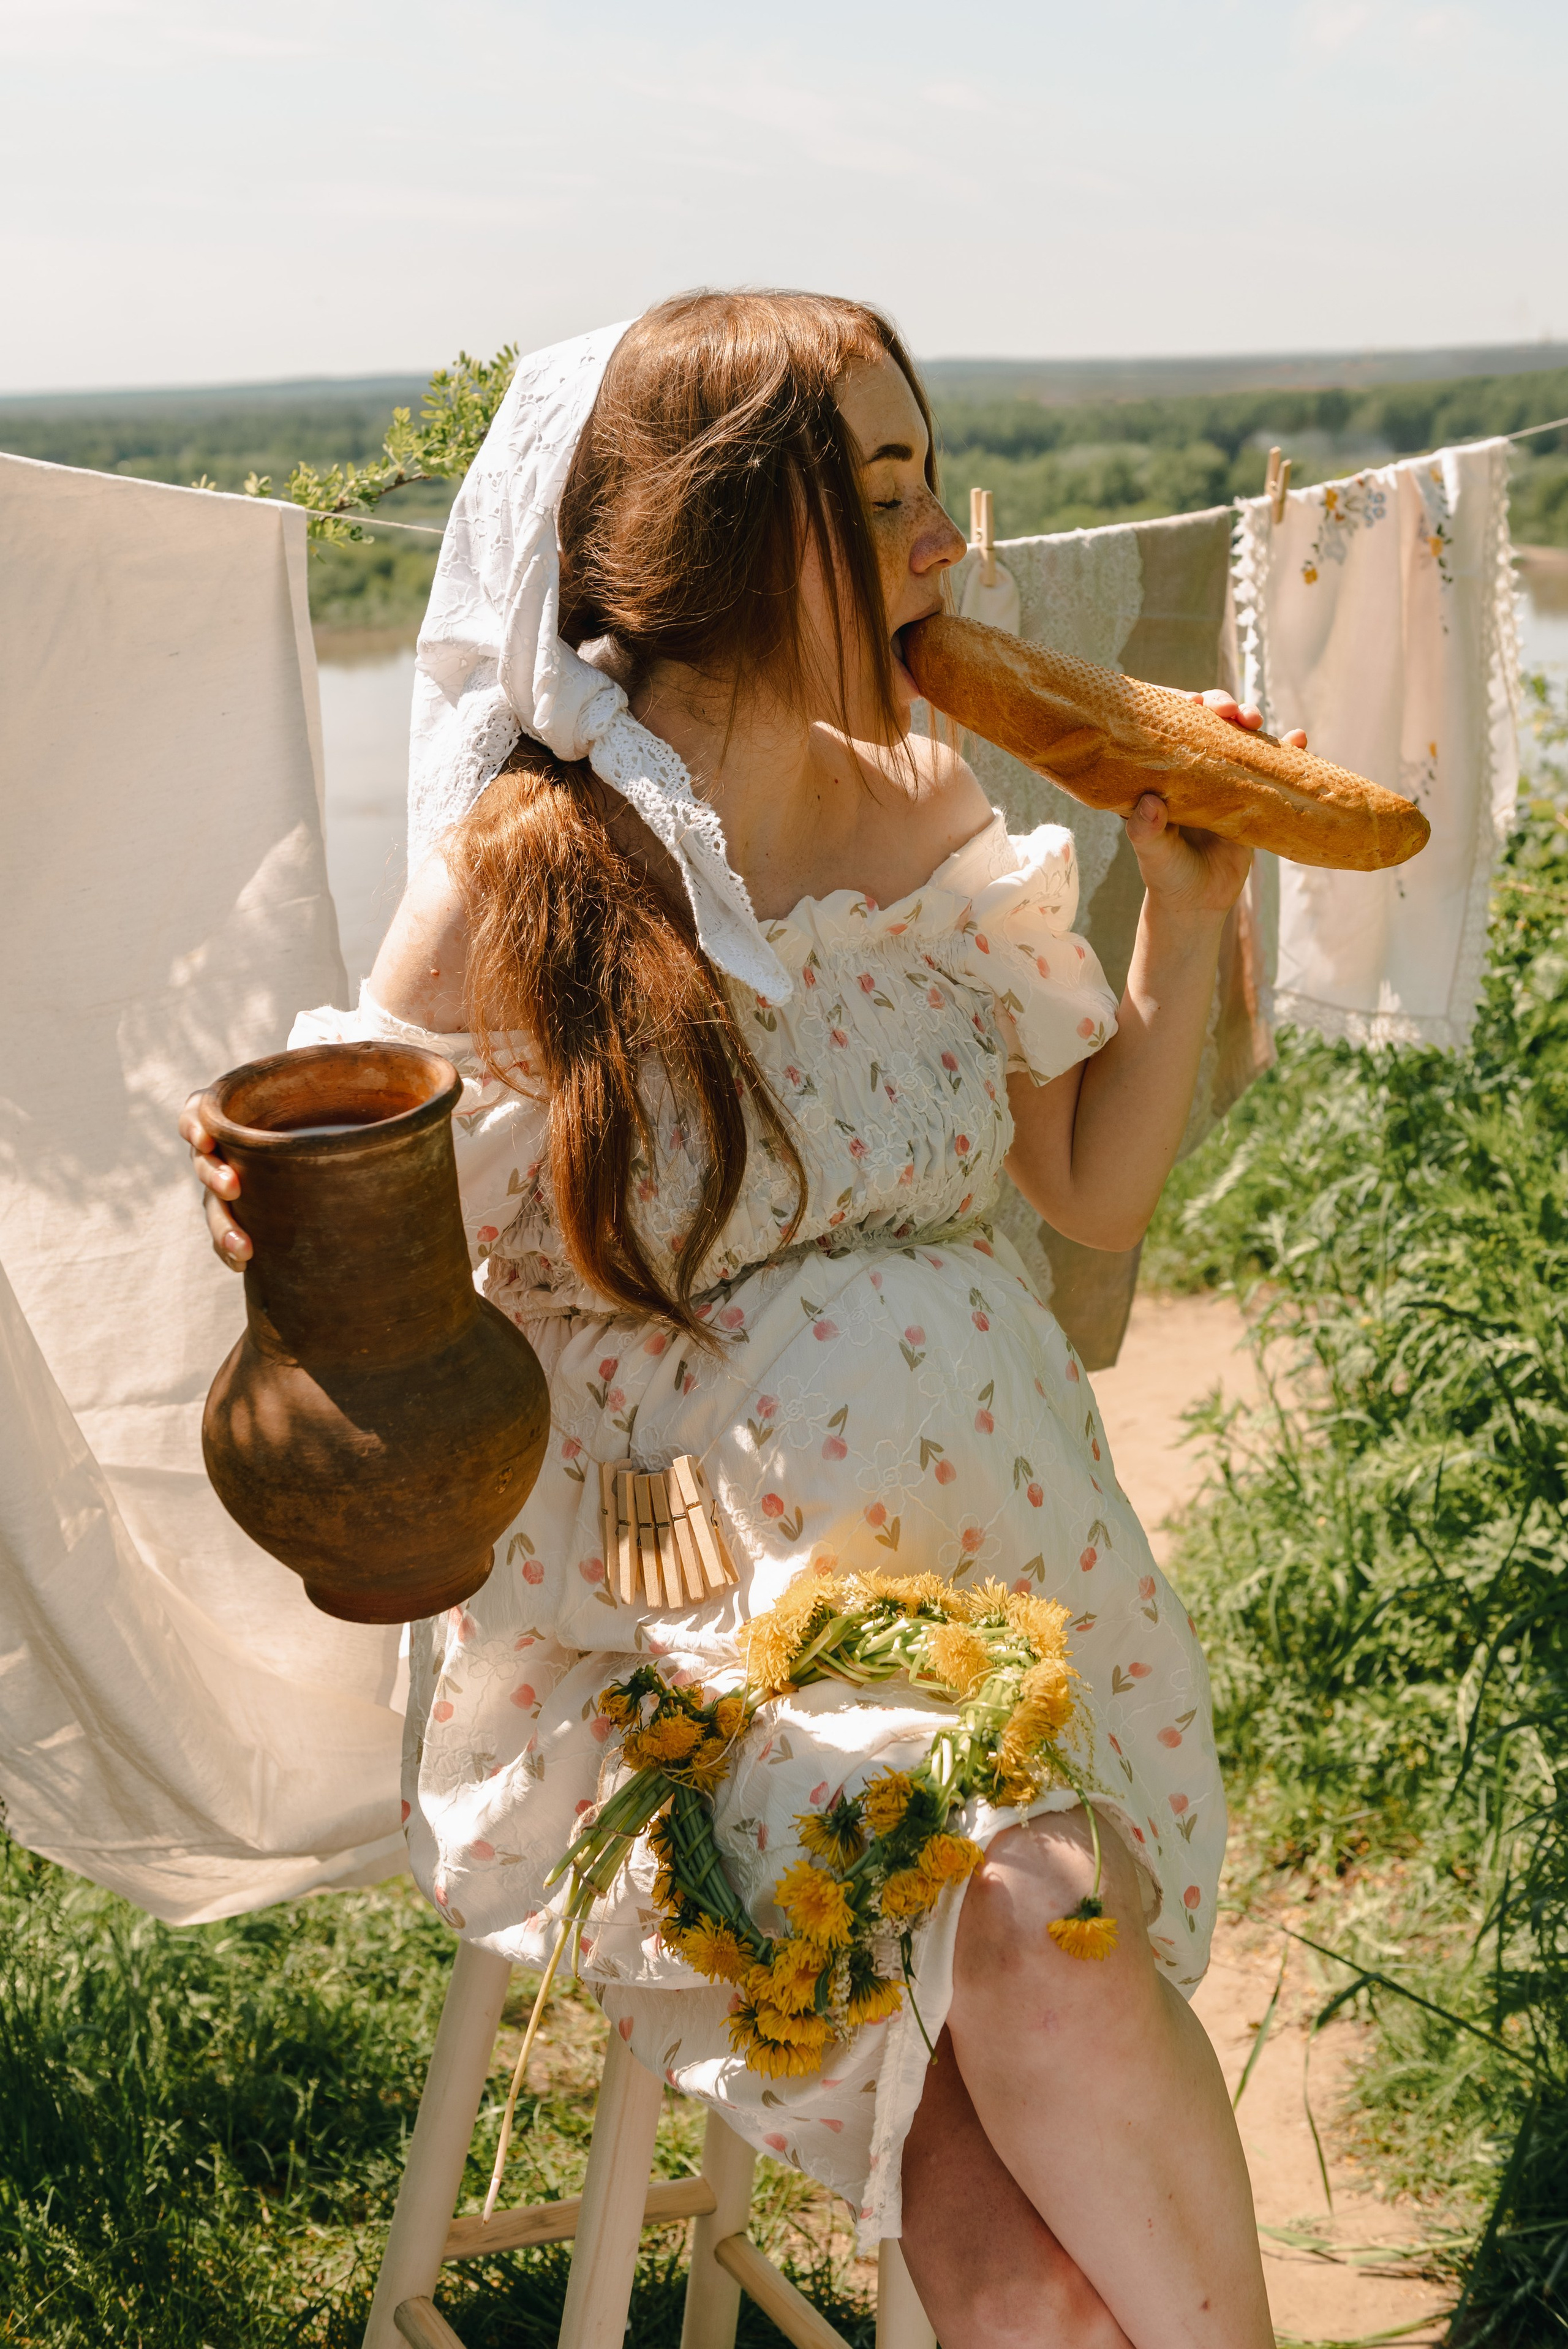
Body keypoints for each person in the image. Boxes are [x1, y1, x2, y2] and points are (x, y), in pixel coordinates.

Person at [183, 292, 1300, 2348]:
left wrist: (1193, 901)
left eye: (932, 476)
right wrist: (273, 1199)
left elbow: (1089, 1186)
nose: (941, 538)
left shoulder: (932, 804)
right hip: (689, 1626)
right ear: (708, 542)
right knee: (1032, 1918)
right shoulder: (530, 870)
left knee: (1029, 2112)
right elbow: (349, 1211)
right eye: (875, 496)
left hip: (1021, 1583)